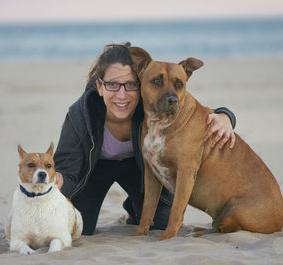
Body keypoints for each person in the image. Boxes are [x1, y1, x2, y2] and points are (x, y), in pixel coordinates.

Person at [53, 42, 236, 235]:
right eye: (112, 85)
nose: (122, 95)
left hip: (137, 169)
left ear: (139, 84)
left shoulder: (150, 103)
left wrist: (226, 116)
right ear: (100, 86)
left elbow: (192, 109)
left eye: (130, 85)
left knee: (161, 223)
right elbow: (67, 170)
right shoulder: (81, 115)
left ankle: (133, 208)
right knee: (81, 228)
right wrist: (58, 180)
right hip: (95, 171)